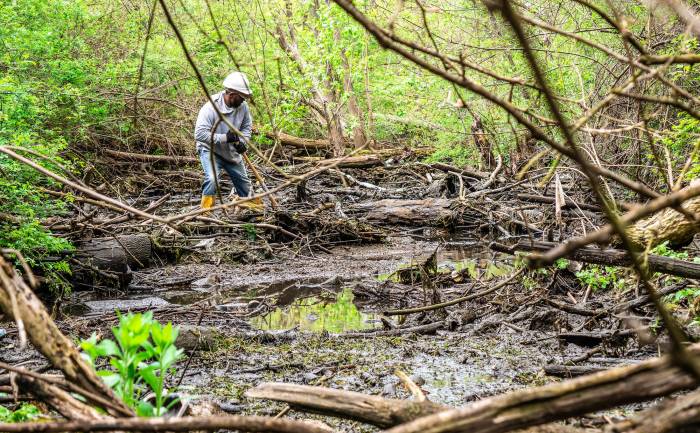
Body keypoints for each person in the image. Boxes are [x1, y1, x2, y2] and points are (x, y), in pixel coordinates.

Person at [194, 71, 253, 211]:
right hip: (210, 150)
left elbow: (246, 127)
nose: (244, 100)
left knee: (244, 184)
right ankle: (205, 213)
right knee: (212, 179)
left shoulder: (243, 107)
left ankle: (251, 210)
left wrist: (244, 142)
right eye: (242, 97)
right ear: (232, 95)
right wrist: (225, 138)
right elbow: (199, 134)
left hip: (231, 152)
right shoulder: (210, 107)